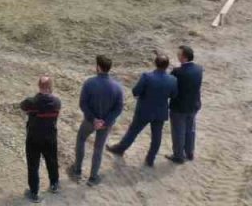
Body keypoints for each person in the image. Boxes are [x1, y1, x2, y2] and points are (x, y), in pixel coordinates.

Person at [108, 54, 178, 167]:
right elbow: (174, 95)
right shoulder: (173, 80)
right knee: (157, 137)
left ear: (155, 63)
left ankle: (120, 149)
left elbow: (136, 91)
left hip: (144, 110)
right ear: (167, 65)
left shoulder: (147, 76)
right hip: (160, 111)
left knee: (133, 131)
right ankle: (150, 159)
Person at [70, 54, 124, 186]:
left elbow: (83, 104)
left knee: (81, 139)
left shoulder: (89, 83)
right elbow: (118, 108)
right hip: (106, 124)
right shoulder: (117, 87)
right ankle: (93, 178)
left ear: (98, 67)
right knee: (98, 148)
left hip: (90, 121)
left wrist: (94, 119)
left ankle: (77, 170)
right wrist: (105, 121)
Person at [20, 76, 62, 203]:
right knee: (52, 161)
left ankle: (34, 192)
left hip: (34, 137)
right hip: (50, 137)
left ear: (39, 86)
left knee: (33, 165)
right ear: (51, 87)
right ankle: (54, 184)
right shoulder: (57, 102)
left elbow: (22, 106)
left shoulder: (31, 102)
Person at [167, 45, 204, 164]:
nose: (178, 56)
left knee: (178, 131)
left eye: (179, 55)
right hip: (194, 105)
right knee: (190, 129)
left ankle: (178, 155)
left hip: (179, 107)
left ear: (184, 57)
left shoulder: (178, 72)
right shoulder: (199, 68)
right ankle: (189, 152)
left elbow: (170, 84)